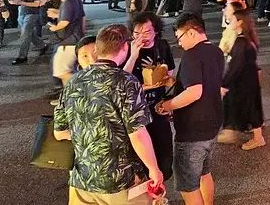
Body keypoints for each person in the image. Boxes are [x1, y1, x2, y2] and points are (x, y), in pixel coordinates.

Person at [53, 24, 164, 204]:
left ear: (97, 48)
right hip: (120, 179)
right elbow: (137, 134)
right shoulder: (126, 82)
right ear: (125, 47)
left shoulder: (73, 82)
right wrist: (154, 169)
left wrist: (92, 132)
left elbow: (59, 133)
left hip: (82, 178)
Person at [158, 13, 224, 205]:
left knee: (188, 186)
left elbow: (194, 92)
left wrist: (166, 105)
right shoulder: (216, 51)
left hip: (192, 129)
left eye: (179, 37)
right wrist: (176, 82)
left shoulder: (192, 55)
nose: (179, 43)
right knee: (204, 172)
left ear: (192, 32)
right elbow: (208, 83)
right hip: (212, 123)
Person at [123, 12, 176, 181]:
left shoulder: (162, 46)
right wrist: (133, 55)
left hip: (157, 106)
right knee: (139, 152)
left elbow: (169, 72)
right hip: (136, 110)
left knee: (163, 151)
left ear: (156, 31)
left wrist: (167, 85)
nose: (142, 37)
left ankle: (161, 182)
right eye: (137, 33)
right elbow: (120, 80)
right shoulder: (126, 49)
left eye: (147, 32)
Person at [218, 8, 265, 150]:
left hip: (243, 81)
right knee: (251, 107)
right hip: (250, 79)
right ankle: (240, 131)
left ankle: (257, 138)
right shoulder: (249, 39)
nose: (230, 22)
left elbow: (235, 66)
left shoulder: (240, 42)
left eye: (232, 20)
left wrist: (224, 83)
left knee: (249, 107)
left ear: (239, 22)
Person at [49, 0, 86, 88]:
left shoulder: (67, 3)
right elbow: (81, 16)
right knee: (66, 69)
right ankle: (68, 92)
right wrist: (57, 14)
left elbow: (65, 22)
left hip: (69, 40)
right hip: (75, 38)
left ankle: (83, 88)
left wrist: (54, 28)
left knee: (61, 72)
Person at [10, 0, 47, 65]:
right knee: (28, 32)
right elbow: (23, 0)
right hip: (23, 12)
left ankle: (22, 56)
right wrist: (16, 1)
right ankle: (42, 45)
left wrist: (20, 3)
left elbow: (36, 4)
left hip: (32, 13)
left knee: (25, 34)